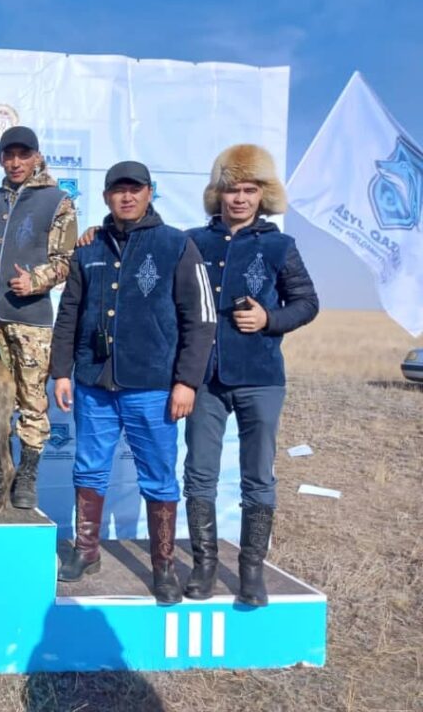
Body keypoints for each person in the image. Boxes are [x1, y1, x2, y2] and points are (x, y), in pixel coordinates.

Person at [50, 161, 216, 604]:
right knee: (89, 467)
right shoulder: (88, 248)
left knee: (159, 477)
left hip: (153, 385)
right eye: (118, 190)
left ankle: (163, 566)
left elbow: (200, 320)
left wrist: (187, 382)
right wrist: (61, 371)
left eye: (135, 189)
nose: (127, 197)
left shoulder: (176, 245)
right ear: (106, 196)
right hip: (93, 382)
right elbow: (69, 314)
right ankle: (86, 551)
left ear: (149, 193)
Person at [182, 144, 319, 607]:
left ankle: (251, 571)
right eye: (231, 189)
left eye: (249, 190)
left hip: (261, 376)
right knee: (199, 473)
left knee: (257, 475)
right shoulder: (192, 242)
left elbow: (307, 302)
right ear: (217, 194)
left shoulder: (280, 245)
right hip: (205, 379)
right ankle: (203, 566)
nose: (239, 198)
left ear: (263, 194)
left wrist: (269, 318)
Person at [0, 126, 77, 508]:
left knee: (32, 400)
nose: (16, 163)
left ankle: (27, 475)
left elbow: (66, 260)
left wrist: (35, 280)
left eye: (23, 155)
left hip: (31, 320)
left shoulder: (57, 200)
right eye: (9, 155)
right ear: (1, 158)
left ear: (36, 156)